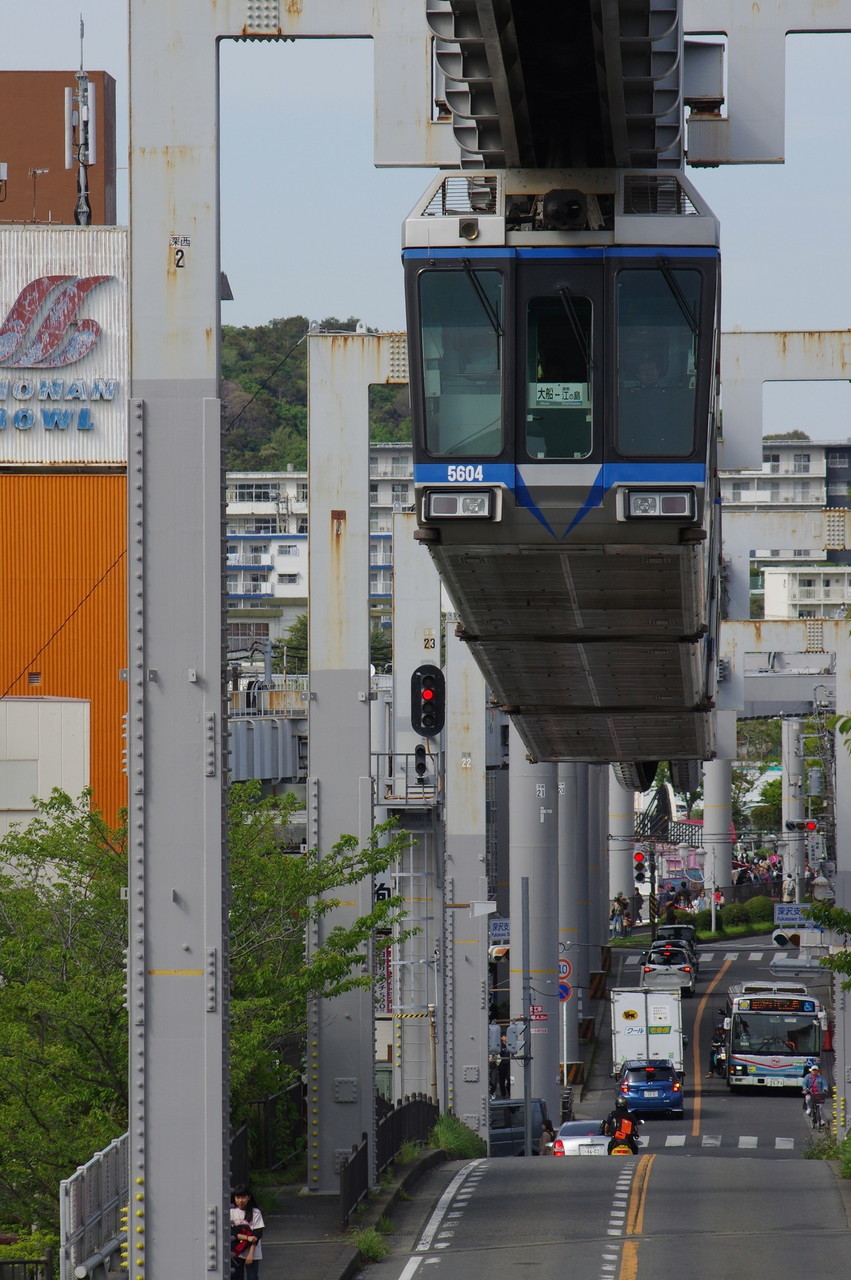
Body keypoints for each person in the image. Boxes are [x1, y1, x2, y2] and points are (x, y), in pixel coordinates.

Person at [231, 1184, 265, 1280]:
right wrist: (246, 1238)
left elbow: (257, 1235)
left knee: (252, 1277)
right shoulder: (231, 1212)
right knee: (236, 1277)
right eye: (237, 1197)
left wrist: (250, 1254)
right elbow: (231, 1232)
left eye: (243, 1197)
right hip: (236, 1251)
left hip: (252, 1252)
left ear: (249, 1197)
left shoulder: (255, 1212)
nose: (240, 1200)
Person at [498, 1033, 512, 1098]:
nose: (506, 1038)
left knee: (509, 1079)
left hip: (509, 1064)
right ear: (502, 1038)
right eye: (505, 1036)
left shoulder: (510, 1045)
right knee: (502, 1080)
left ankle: (510, 1093)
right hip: (502, 1065)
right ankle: (503, 1094)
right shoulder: (500, 1046)